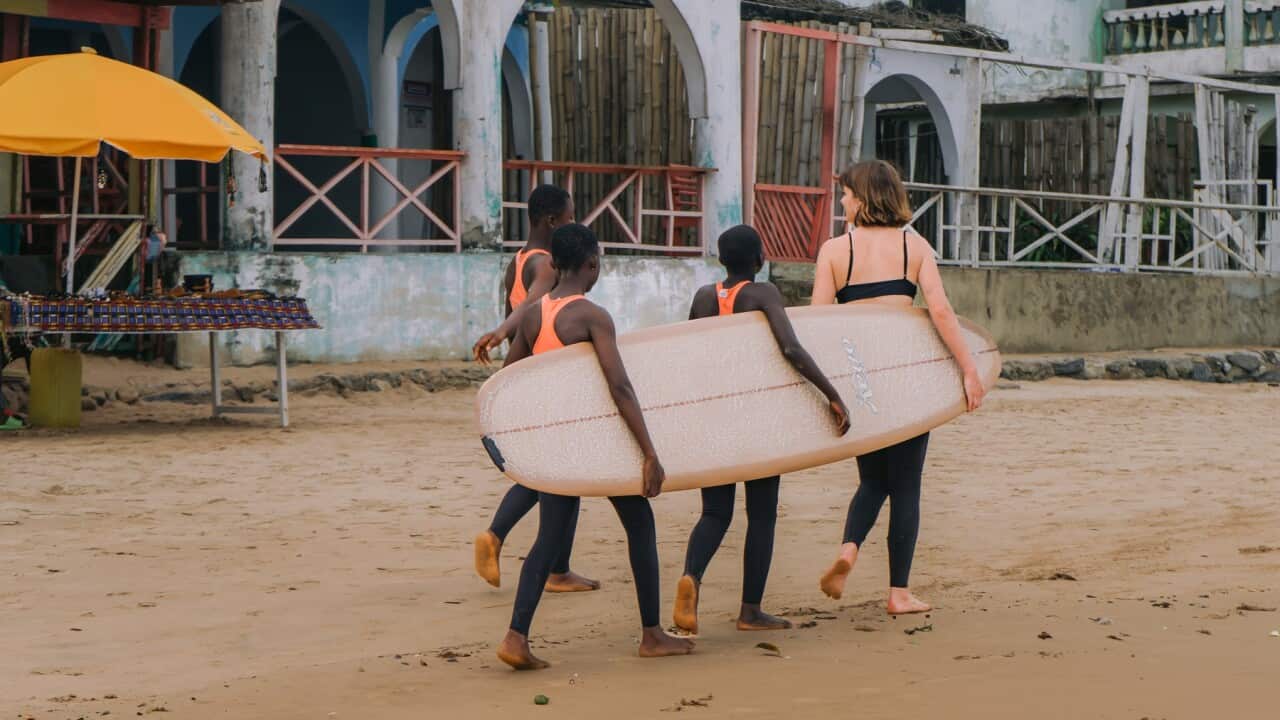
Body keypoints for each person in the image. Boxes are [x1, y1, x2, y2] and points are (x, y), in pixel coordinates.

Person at [496, 223, 694, 669]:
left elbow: (510, 379)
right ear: (592, 265)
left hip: (555, 440)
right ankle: (651, 634)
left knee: (549, 539)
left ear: (552, 265)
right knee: (640, 526)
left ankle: (515, 637)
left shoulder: (533, 315)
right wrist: (649, 452)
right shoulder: (591, 316)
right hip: (599, 439)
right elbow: (620, 386)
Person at [811, 160, 986, 614]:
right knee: (906, 485)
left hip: (860, 381)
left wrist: (830, 392)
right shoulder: (915, 246)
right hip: (907, 380)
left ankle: (849, 549)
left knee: (872, 480)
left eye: (847, 194)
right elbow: (941, 312)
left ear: (865, 197)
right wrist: (969, 369)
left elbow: (819, 325)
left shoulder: (834, 251)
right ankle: (899, 593)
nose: (843, 202)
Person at [673, 225, 850, 634]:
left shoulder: (703, 297)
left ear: (720, 261)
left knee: (715, 513)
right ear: (760, 261)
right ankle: (750, 611)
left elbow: (685, 352)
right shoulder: (763, 294)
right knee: (762, 515)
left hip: (712, 417)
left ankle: (691, 578)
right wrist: (831, 393)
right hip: (755, 418)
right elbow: (790, 348)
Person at [471, 186, 600, 593]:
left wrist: (505, 337)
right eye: (570, 216)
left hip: (526, 372)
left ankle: (555, 566)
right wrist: (501, 332)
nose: (573, 223)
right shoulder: (545, 263)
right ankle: (500, 537)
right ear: (551, 221)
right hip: (546, 376)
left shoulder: (518, 259)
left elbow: (519, 308)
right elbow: (530, 306)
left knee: (556, 473)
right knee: (559, 475)